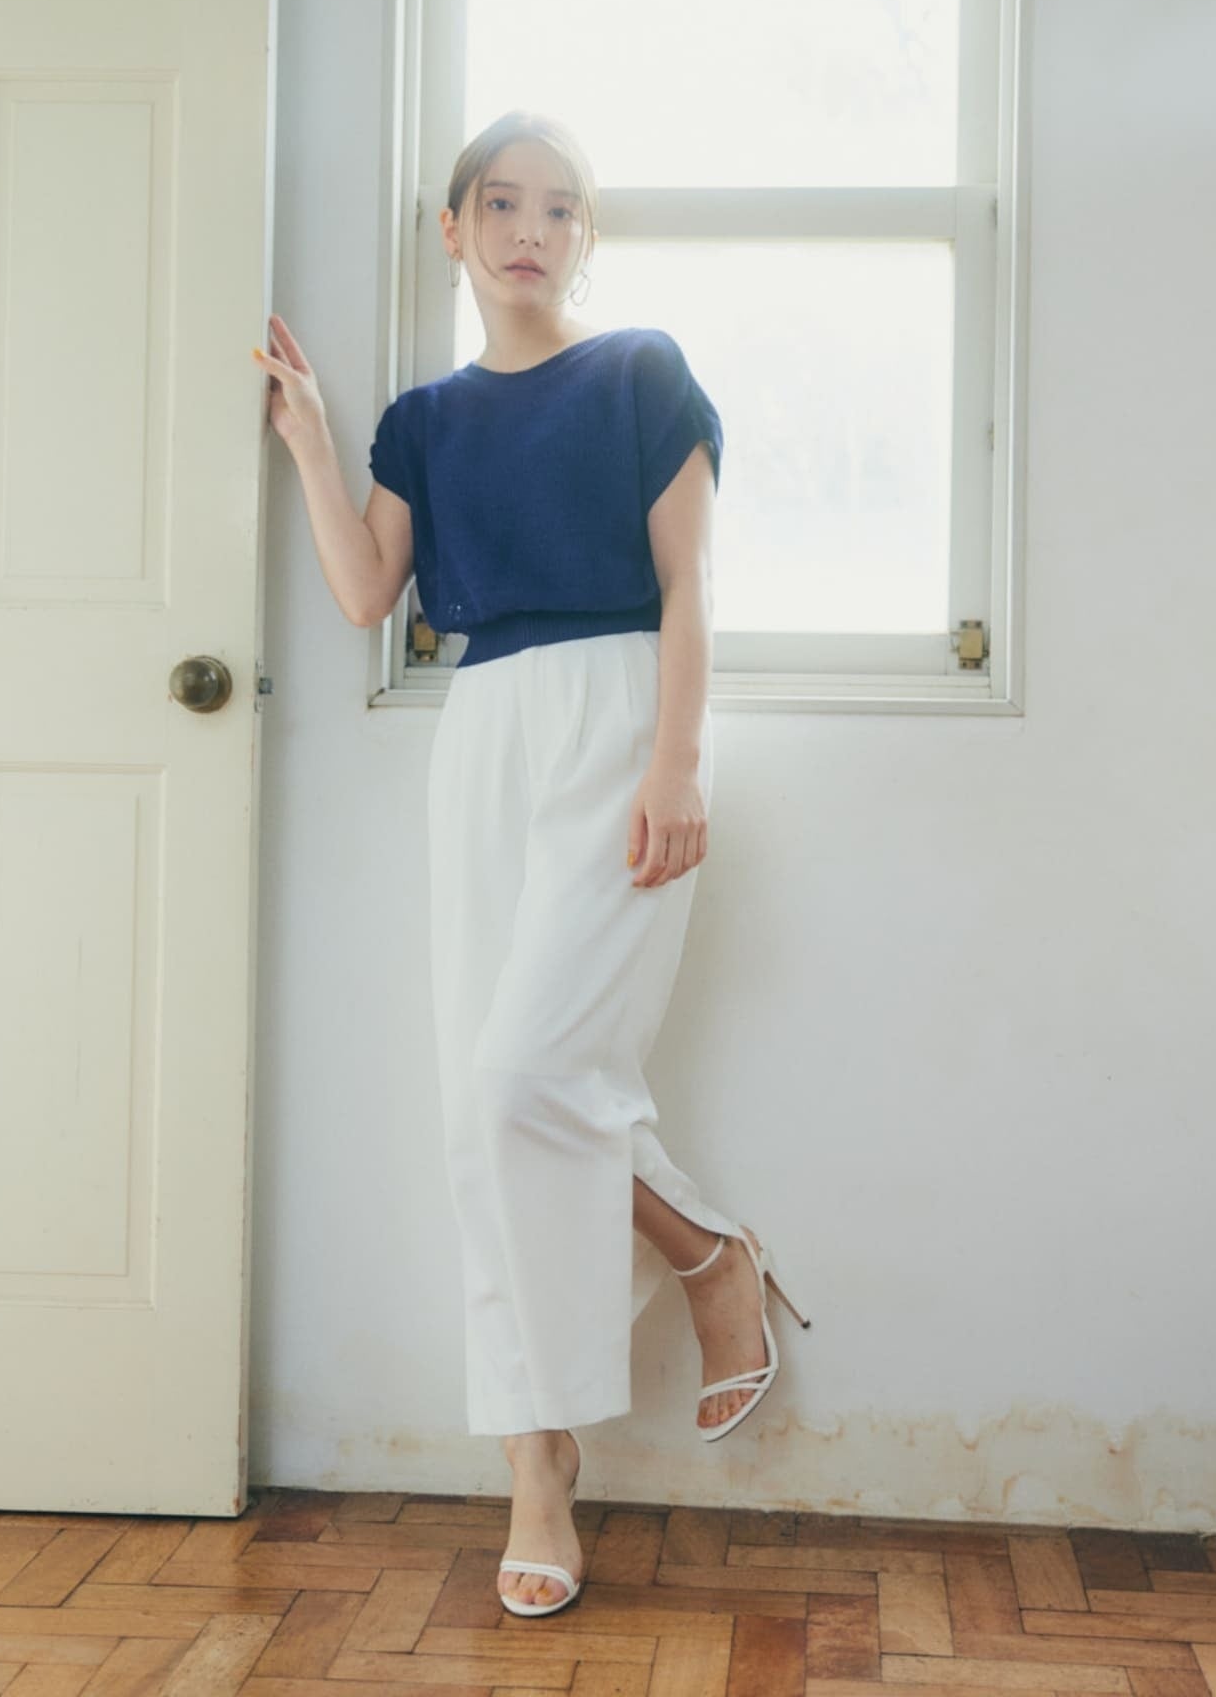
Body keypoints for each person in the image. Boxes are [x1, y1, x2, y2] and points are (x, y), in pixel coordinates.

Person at [252, 107, 810, 1619]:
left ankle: (707, 1258)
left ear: (585, 238)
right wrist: (311, 441)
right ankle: (539, 1470)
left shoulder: (640, 374)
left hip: (622, 723)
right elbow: (368, 591)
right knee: (480, 1112)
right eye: (501, 203)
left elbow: (692, 584)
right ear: (453, 229)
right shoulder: (425, 421)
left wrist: (677, 763)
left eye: (560, 209)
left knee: (523, 1080)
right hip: (485, 737)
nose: (530, 230)